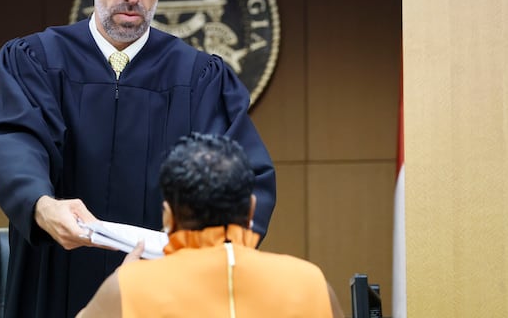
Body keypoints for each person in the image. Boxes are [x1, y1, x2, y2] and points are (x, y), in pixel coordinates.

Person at [0, 0, 276, 317]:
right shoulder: (36, 61)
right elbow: (15, 140)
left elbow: (245, 178)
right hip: (54, 278)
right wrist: (41, 205)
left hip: (168, 292)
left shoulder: (199, 78)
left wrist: (209, 255)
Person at [76, 132, 344, 318]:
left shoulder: (127, 287)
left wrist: (123, 282)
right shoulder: (310, 282)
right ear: (251, 209)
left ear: (168, 216)